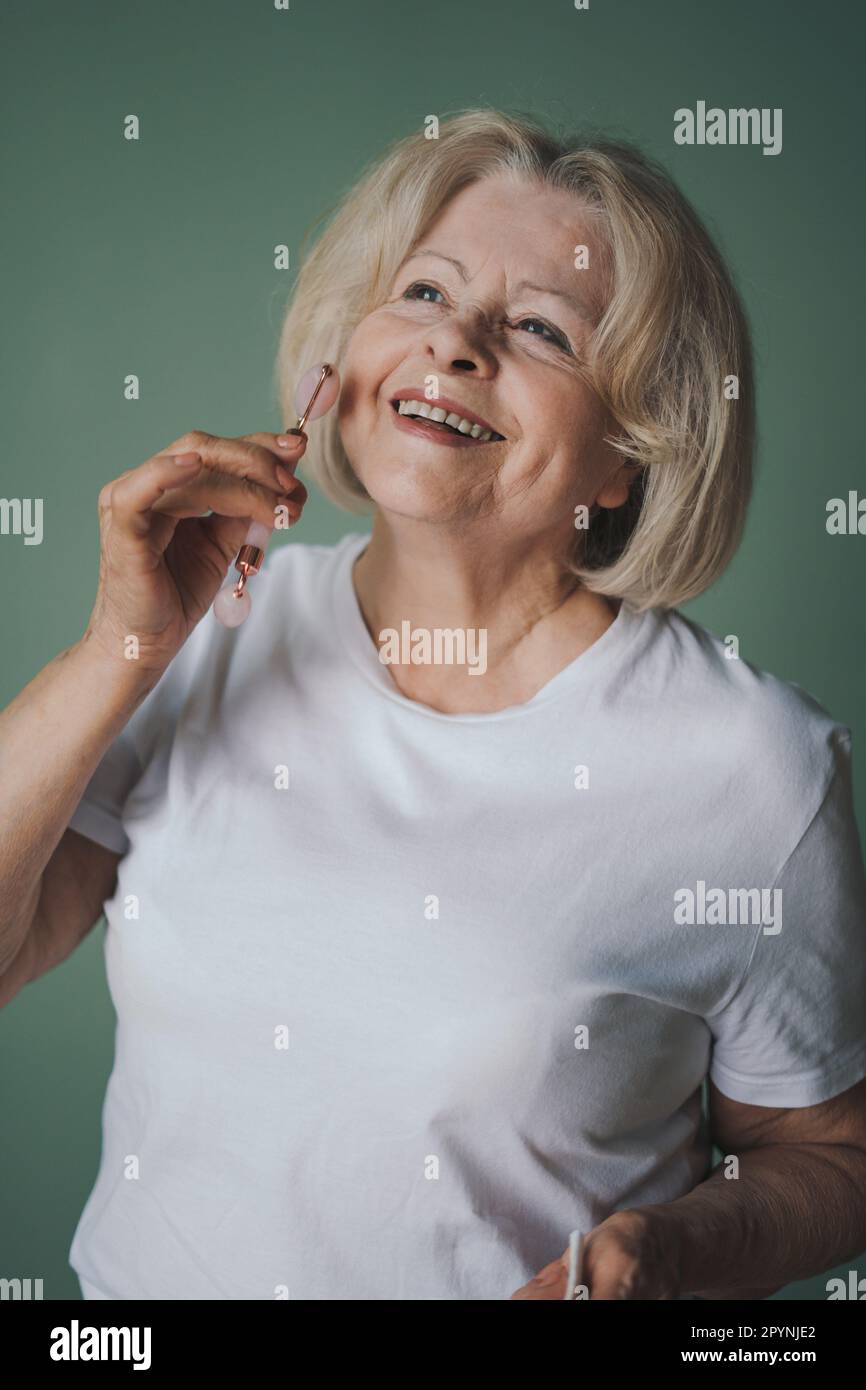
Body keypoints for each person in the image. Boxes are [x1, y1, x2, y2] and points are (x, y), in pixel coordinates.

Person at [2, 108, 865, 1302]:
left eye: (538, 328)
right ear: (340, 362)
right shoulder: (206, 634)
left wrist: (678, 1249)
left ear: (630, 451)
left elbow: (827, 1155)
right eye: (421, 292)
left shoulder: (753, 768)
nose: (453, 343)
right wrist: (119, 649)